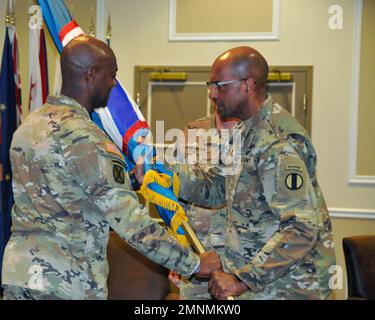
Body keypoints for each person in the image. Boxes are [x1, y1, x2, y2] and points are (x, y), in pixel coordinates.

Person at [1, 36, 221, 300]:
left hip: (21, 275)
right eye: (112, 75)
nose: (114, 83)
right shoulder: (86, 137)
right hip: (65, 282)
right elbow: (130, 221)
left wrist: (131, 180)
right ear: (92, 74)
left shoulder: (29, 126)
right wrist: (194, 263)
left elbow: (65, 189)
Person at [170, 46, 336, 300]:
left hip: (290, 286)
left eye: (219, 86)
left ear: (247, 84)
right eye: (210, 85)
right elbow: (217, 188)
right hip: (262, 283)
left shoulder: (277, 141)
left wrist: (243, 279)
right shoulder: (245, 131)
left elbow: (301, 227)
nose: (212, 94)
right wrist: (167, 175)